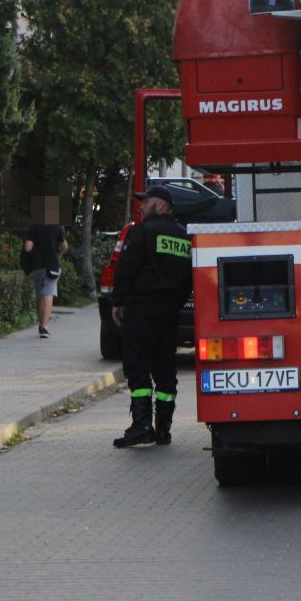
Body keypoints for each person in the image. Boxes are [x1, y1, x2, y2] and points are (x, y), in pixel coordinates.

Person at [111, 186, 193, 449]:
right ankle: (163, 429)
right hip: (169, 311)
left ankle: (141, 426)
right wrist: (175, 302)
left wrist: (118, 301)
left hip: (141, 309)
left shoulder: (142, 232)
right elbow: (188, 279)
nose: (142, 206)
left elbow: (127, 268)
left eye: (147, 202)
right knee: (165, 368)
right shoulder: (184, 237)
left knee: (136, 365)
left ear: (163, 205)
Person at [22, 195, 68, 339]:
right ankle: (45, 327)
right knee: (49, 293)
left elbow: (28, 248)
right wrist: (59, 254)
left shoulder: (34, 226)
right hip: (52, 264)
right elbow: (64, 246)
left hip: (37, 266)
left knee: (40, 295)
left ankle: (40, 323)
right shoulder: (58, 226)